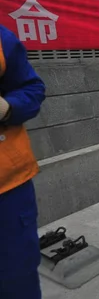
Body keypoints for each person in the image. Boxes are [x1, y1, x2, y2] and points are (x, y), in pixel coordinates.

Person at [0, 25, 46, 299]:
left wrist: (9, 107)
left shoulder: (2, 41)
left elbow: (32, 89)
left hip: (7, 188)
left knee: (17, 275)